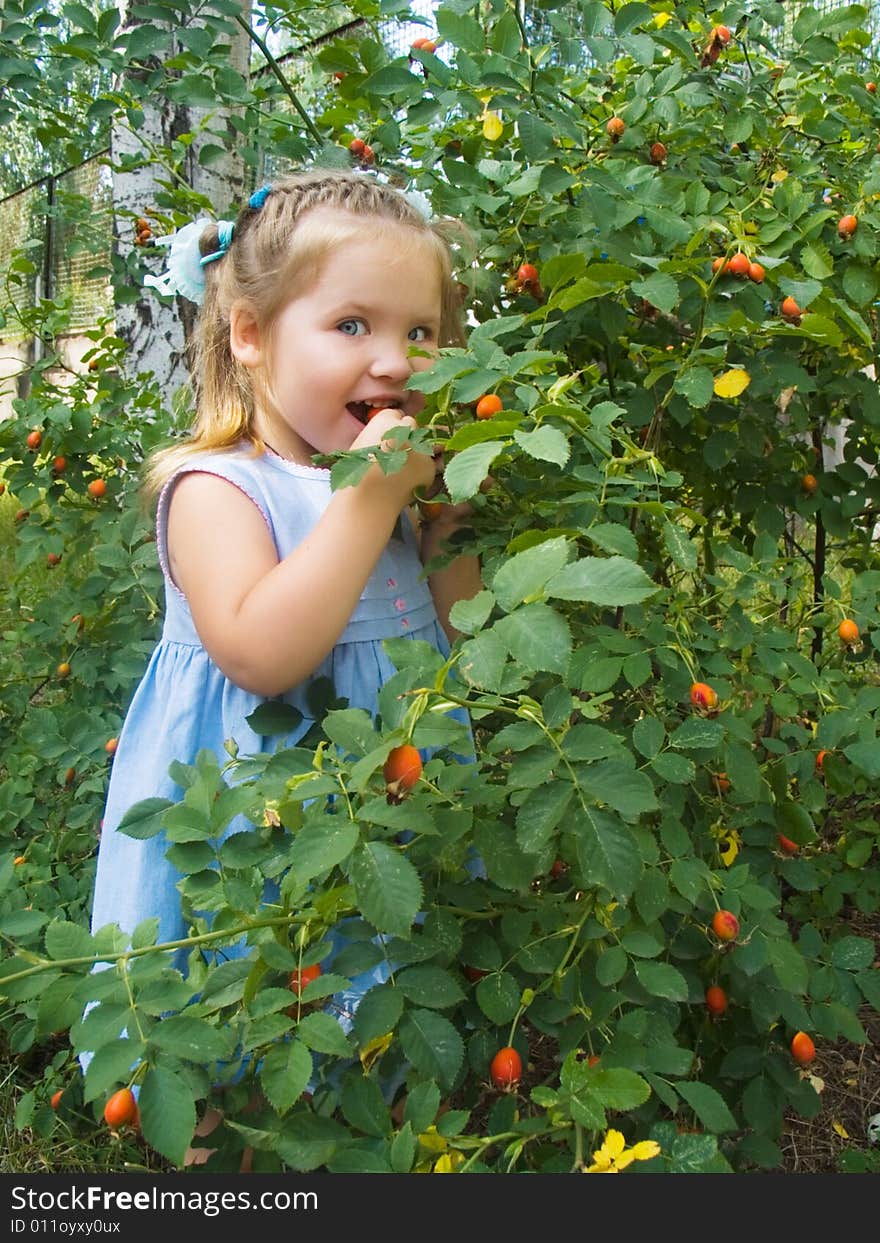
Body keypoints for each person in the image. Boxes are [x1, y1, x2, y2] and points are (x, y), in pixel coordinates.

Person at [83, 169, 482, 1133]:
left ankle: (372, 1087)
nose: (395, 360)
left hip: (387, 794)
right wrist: (376, 496)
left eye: (421, 333)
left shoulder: (394, 488)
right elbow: (265, 655)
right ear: (251, 337)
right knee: (260, 976)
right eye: (352, 326)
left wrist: (450, 526)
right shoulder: (218, 489)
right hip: (260, 809)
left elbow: (465, 654)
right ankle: (227, 1130)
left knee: (379, 959)